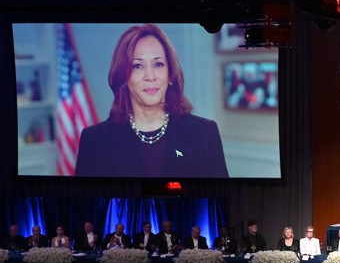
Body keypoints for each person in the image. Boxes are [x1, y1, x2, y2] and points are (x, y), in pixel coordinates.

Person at [75, 24, 227, 178]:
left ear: (170, 75)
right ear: (123, 78)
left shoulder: (204, 133)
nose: (150, 75)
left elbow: (220, 200)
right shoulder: (95, 141)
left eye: (158, 64)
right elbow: (86, 202)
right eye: (138, 66)